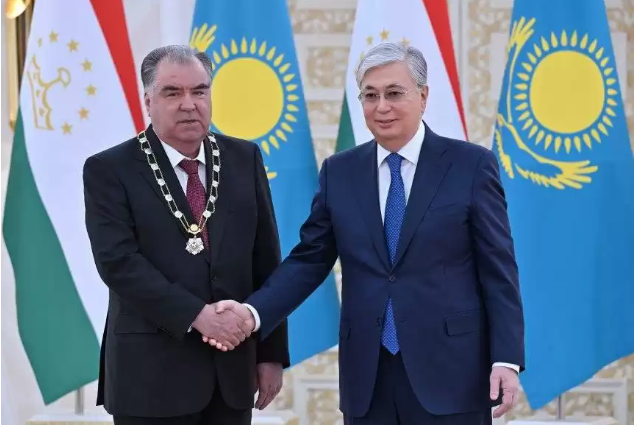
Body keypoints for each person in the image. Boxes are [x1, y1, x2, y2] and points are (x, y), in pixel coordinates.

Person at [207, 42, 525, 424]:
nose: (382, 106)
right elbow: (309, 260)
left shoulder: (470, 165)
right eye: (370, 95)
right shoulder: (340, 172)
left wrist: (506, 358)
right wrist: (252, 312)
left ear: (423, 96)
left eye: (394, 93)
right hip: (368, 378)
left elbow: (498, 269)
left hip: (452, 374)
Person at [83, 45, 289, 425]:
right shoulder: (110, 169)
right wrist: (197, 316)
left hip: (232, 375)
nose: (189, 104)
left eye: (199, 91)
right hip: (150, 379)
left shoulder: (244, 159)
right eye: (172, 93)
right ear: (148, 101)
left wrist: (271, 354)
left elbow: (266, 261)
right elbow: (118, 264)